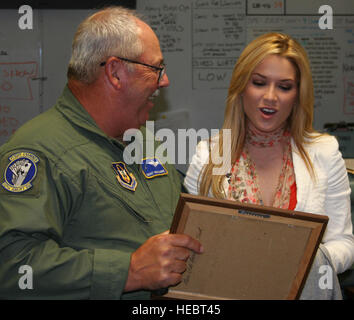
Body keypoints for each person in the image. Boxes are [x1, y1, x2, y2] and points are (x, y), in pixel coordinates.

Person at [0, 7, 203, 299]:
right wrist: (128, 271)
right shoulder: (38, 152)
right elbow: (12, 267)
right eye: (156, 69)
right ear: (115, 72)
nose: (164, 81)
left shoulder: (144, 140)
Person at [184, 32, 354, 299]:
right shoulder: (208, 154)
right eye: (260, 83)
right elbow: (192, 245)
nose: (271, 96)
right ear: (241, 87)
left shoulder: (324, 151)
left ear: (298, 94)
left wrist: (300, 263)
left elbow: (344, 244)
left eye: (284, 87)